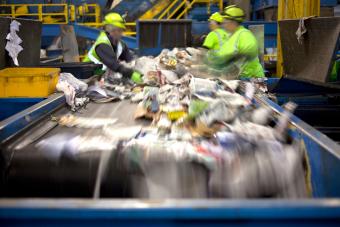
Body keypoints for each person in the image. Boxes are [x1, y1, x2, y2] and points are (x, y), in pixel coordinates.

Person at [206, 5, 264, 78]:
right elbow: (221, 57)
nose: (223, 24)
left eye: (225, 21)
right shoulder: (230, 37)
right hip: (238, 79)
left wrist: (231, 63)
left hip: (252, 80)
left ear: (232, 22)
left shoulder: (244, 34)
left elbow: (248, 54)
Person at [83, 13, 142, 83]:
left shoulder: (120, 44)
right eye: (119, 30)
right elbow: (114, 65)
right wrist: (131, 74)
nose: (121, 33)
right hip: (86, 80)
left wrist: (139, 70)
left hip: (99, 80)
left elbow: (130, 60)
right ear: (111, 30)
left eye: (121, 30)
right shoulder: (102, 44)